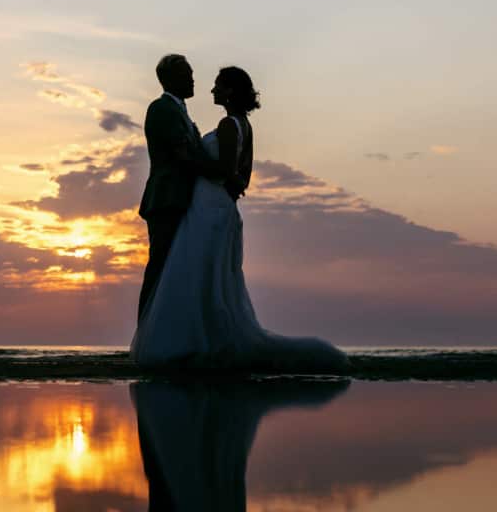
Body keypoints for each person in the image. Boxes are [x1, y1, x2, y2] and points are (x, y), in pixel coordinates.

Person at [131, 64, 348, 372]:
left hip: (209, 208)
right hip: (208, 206)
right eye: (192, 75)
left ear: (231, 90)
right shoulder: (240, 124)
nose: (210, 88)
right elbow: (239, 174)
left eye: (218, 85)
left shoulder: (229, 125)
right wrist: (233, 182)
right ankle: (191, 338)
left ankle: (184, 342)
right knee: (203, 275)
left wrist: (217, 174)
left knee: (197, 274)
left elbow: (227, 170)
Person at [136, 54, 238, 322]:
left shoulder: (179, 110)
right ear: (171, 79)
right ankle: (146, 331)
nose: (193, 80)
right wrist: (221, 173)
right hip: (167, 198)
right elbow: (183, 153)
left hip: (183, 200)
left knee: (174, 269)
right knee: (160, 265)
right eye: (188, 75)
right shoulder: (161, 109)